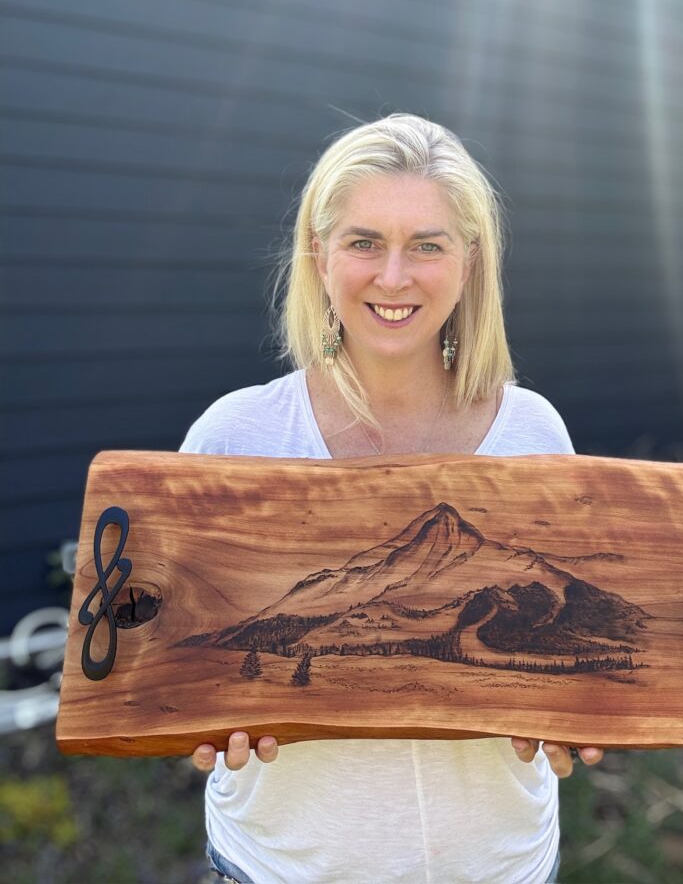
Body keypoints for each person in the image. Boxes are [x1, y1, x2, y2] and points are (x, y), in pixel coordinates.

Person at [181, 114, 603, 884]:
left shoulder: (534, 432)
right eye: (365, 242)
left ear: (471, 262)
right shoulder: (235, 436)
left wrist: (580, 715)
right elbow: (169, 653)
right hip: (280, 869)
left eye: (427, 245)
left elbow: (573, 648)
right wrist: (195, 718)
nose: (394, 276)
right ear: (320, 255)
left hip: (501, 867)